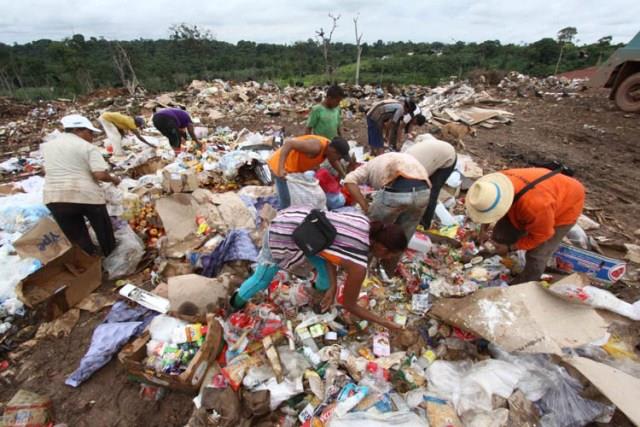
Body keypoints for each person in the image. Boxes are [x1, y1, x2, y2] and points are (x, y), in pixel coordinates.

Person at [230, 207, 408, 331]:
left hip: (305, 224)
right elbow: (349, 304)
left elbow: (329, 246)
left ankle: (312, 293)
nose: (388, 259)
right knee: (262, 280)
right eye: (390, 255)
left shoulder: (363, 221)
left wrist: (333, 286)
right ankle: (234, 303)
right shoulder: (358, 266)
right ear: (383, 249)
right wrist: (386, 323)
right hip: (285, 232)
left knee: (326, 278)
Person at [465, 168, 585, 284]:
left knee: (537, 254)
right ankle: (481, 262)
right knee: (501, 235)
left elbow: (542, 235)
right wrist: (483, 230)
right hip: (536, 193)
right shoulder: (493, 185)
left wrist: (511, 247)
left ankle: (524, 284)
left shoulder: (535, 207)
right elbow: (487, 209)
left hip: (567, 203)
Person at [42, 114, 121, 256]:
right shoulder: (87, 147)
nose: (92, 137)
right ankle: (112, 257)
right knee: (104, 231)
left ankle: (90, 263)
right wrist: (114, 180)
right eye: (90, 133)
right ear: (78, 130)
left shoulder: (47, 146)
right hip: (85, 195)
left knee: (77, 237)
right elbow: (100, 175)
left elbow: (46, 169)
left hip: (54, 197)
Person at [344, 152, 430, 241]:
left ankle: (366, 251)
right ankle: (396, 253)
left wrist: (365, 206)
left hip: (397, 190)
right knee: (403, 235)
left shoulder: (366, 168)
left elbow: (349, 181)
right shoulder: (388, 158)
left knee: (375, 228)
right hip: (423, 192)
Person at [267, 135, 351, 209]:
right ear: (333, 151)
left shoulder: (328, 149)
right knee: (286, 203)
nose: (339, 160)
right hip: (281, 166)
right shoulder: (316, 147)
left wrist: (343, 174)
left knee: (295, 199)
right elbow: (289, 143)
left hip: (294, 171)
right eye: (339, 157)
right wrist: (281, 168)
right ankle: (283, 224)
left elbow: (333, 160)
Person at [405, 136, 457, 229]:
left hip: (448, 157)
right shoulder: (404, 160)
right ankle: (419, 217)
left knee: (431, 193)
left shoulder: (410, 168)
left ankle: (425, 224)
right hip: (436, 154)